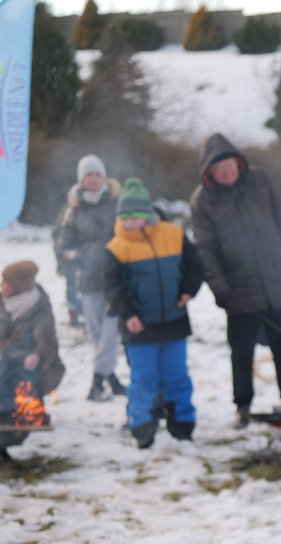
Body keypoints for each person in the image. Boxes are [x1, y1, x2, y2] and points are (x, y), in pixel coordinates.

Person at [189, 132, 281, 429]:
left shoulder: (259, 181)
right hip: (238, 291)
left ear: (239, 163)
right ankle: (243, 405)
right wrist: (221, 291)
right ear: (209, 174)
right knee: (241, 351)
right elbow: (206, 251)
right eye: (220, 170)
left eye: (231, 166)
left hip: (275, 280)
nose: (228, 173)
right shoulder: (203, 202)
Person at [105, 178, 203, 449]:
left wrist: (188, 290)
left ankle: (182, 425)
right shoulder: (116, 247)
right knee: (143, 379)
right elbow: (113, 287)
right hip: (139, 326)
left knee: (177, 376)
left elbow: (196, 264)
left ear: (146, 215)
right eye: (124, 217)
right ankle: (142, 428)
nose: (128, 222)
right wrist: (128, 315)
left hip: (174, 321)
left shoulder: (173, 234)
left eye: (134, 216)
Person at [56, 154, 127, 401]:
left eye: (97, 174)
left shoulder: (118, 204)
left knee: (110, 332)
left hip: (116, 278)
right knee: (98, 335)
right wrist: (81, 256)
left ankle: (96, 383)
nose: (94, 179)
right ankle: (112, 378)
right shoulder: (73, 211)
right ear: (81, 179)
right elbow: (63, 247)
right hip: (88, 281)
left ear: (104, 177)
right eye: (89, 175)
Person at [0, 261, 65, 413]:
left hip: (35, 367)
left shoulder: (40, 310)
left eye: (5, 282)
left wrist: (37, 355)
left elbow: (48, 346)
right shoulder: (2, 305)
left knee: (21, 379)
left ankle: (30, 411)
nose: (0, 285)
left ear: (15, 287)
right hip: (9, 362)